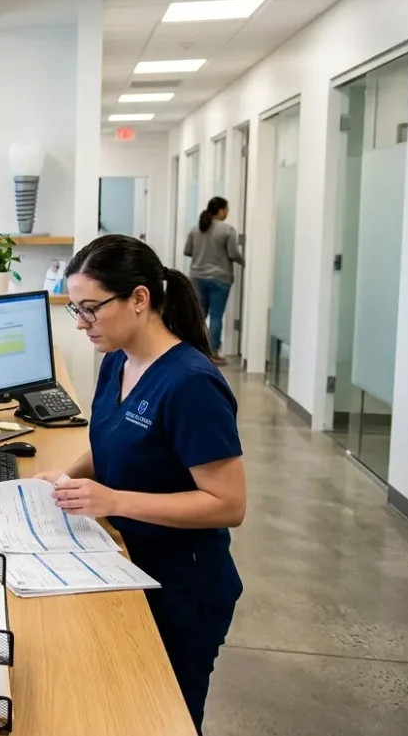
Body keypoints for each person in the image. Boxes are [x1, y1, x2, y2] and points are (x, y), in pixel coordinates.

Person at [42, 234, 246, 735]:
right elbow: (113, 441)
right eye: (75, 310)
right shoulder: (117, 358)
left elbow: (228, 503)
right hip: (131, 564)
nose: (83, 323)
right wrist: (65, 478)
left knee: (164, 717)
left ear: (139, 298)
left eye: (91, 309)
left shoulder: (190, 384)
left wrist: (112, 500)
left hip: (183, 586)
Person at [183, 196, 243, 365]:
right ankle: (213, 352)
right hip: (220, 278)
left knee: (199, 315)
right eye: (227, 209)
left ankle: (194, 349)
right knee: (216, 316)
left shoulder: (196, 229)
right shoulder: (227, 230)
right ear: (221, 210)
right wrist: (245, 262)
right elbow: (233, 254)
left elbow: (187, 251)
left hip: (197, 277)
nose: (228, 212)